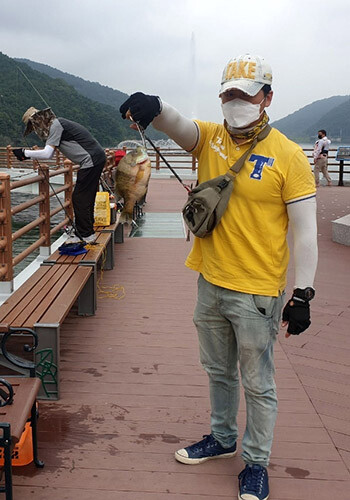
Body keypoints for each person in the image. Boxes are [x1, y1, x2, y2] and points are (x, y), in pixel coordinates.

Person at [119, 54, 318, 500]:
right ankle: (223, 437)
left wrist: (303, 293)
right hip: (210, 281)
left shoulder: (289, 155)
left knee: (259, 383)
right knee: (217, 371)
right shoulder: (210, 139)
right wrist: (155, 106)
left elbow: (306, 234)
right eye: (228, 93)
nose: (235, 101)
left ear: (267, 97)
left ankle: (257, 463)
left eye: (245, 93)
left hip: (258, 291)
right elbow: (178, 124)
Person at [12, 107, 106, 243]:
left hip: (90, 161)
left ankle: (86, 234)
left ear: (39, 120)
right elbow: (50, 151)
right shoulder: (58, 124)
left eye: (34, 126)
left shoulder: (56, 125)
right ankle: (87, 231)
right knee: (86, 197)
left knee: (79, 198)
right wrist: (29, 154)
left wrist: (24, 153)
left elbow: (47, 154)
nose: (35, 130)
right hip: (95, 159)